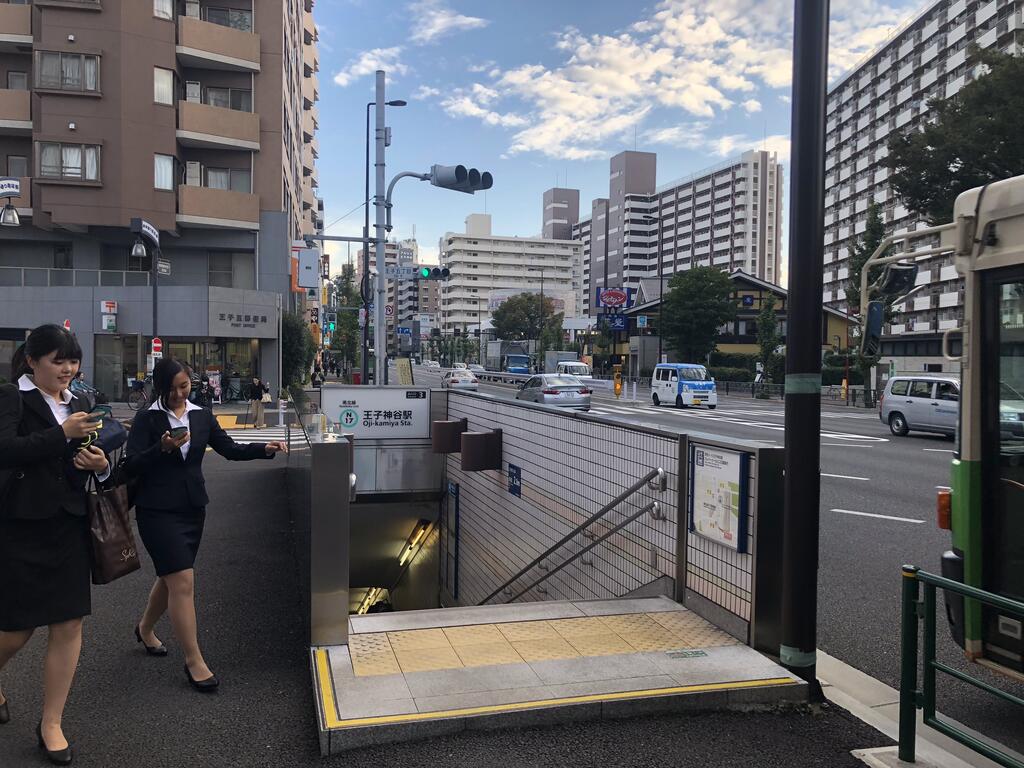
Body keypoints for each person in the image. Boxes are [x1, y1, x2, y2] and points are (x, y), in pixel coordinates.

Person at [125, 358, 286, 693]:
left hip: (192, 508)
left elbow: (229, 449)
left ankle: (145, 628)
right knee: (182, 580)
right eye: (171, 389)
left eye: (184, 386)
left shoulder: (201, 415)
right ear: (160, 388)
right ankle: (194, 660)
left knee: (171, 578)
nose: (178, 394)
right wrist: (161, 448)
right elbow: (131, 465)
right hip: (156, 510)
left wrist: (264, 449)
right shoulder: (147, 418)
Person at [0, 324, 111, 766]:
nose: (68, 369)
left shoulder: (79, 403)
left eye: (73, 360)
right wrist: (61, 434)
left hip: (69, 524)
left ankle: (51, 722)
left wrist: (99, 465)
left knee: (69, 624)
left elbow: (81, 461)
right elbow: (5, 449)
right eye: (58, 360)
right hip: (22, 527)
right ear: (32, 361)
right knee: (16, 629)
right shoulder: (12, 397)